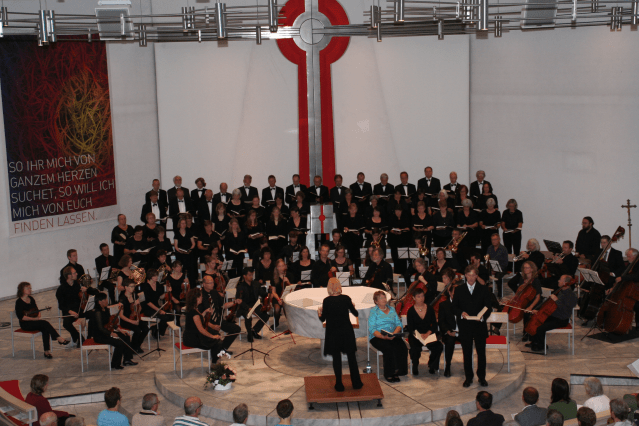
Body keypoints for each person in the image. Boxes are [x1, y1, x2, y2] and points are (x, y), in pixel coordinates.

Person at [318, 278, 363, 391]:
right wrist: (352, 306)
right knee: (352, 358)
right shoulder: (346, 298)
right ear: (339, 286)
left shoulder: (326, 301)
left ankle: (339, 384)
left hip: (333, 333)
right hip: (346, 331)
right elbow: (355, 313)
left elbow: (323, 319)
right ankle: (356, 383)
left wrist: (319, 313)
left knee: (336, 358)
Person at [452, 265, 492, 388]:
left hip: (479, 325)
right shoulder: (459, 289)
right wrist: (461, 313)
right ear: (465, 275)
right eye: (468, 275)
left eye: (473, 275)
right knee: (467, 353)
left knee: (481, 353)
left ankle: (482, 377)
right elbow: (454, 307)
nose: (471, 277)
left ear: (476, 276)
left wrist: (482, 316)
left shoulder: (483, 289)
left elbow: (488, 307)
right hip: (465, 325)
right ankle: (468, 377)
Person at [16, 282, 71, 358]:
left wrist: (38, 315)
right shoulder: (19, 302)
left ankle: (46, 351)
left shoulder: (31, 299)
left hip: (34, 321)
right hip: (26, 324)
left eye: (30, 288)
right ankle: (59, 338)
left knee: (45, 328)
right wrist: (33, 319)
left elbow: (37, 310)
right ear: (22, 290)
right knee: (44, 323)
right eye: (27, 288)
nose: (30, 289)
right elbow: (21, 317)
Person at [527, 275, 577, 352]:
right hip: (554, 315)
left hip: (561, 319)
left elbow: (565, 309)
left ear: (565, 283)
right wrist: (539, 311)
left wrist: (556, 300)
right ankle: (535, 342)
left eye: (560, 280)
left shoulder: (572, 295)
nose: (558, 281)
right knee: (536, 320)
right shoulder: (561, 291)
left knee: (541, 328)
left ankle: (541, 346)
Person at [89, 293, 137, 370]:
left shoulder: (106, 309)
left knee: (126, 336)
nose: (107, 300)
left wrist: (121, 331)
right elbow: (100, 328)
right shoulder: (97, 312)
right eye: (105, 299)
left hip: (107, 332)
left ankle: (127, 360)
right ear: (99, 302)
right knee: (119, 343)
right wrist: (111, 333)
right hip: (100, 336)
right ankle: (115, 364)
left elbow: (111, 323)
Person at [368, 290, 408, 382]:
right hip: (378, 337)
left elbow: (399, 324)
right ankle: (389, 374)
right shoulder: (374, 311)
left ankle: (399, 371)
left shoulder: (392, 309)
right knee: (388, 348)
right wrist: (383, 337)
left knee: (402, 346)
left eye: (384, 297)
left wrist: (394, 333)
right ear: (376, 301)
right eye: (381, 298)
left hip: (392, 334)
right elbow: (372, 329)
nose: (384, 299)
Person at [198, 274, 241, 353]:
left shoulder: (214, 292)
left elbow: (223, 306)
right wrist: (212, 326)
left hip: (217, 320)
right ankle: (216, 350)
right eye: (210, 283)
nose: (213, 284)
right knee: (216, 335)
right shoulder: (199, 295)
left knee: (236, 329)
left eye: (213, 282)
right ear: (204, 284)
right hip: (207, 323)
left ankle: (223, 348)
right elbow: (200, 317)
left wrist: (234, 302)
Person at [56, 266, 97, 347]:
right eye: (74, 273)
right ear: (69, 276)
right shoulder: (61, 289)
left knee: (94, 314)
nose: (77, 274)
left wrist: (86, 290)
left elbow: (93, 292)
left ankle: (89, 337)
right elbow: (61, 306)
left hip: (80, 309)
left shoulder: (77, 284)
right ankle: (79, 338)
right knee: (66, 323)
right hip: (69, 312)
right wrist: (70, 312)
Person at [406, 288, 443, 375]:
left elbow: (434, 324)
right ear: (414, 298)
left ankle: (432, 365)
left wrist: (427, 333)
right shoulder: (410, 311)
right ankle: (415, 365)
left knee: (438, 346)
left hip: (428, 334)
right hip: (416, 335)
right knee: (415, 348)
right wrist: (419, 335)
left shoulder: (430, 308)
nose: (421, 298)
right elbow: (410, 328)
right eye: (418, 296)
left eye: (422, 296)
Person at [183, 288, 224, 365]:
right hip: (192, 339)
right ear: (197, 298)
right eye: (201, 296)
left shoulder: (194, 309)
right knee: (217, 341)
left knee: (217, 335)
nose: (202, 297)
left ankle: (215, 360)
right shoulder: (194, 312)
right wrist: (212, 336)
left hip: (193, 335)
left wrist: (204, 312)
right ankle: (214, 364)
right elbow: (201, 329)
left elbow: (199, 319)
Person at [235, 267, 269, 341]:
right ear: (244, 276)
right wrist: (248, 308)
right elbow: (239, 300)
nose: (251, 277)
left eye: (252, 275)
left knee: (265, 316)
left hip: (255, 305)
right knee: (248, 316)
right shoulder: (240, 287)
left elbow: (262, 293)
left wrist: (268, 294)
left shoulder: (256, 284)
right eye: (249, 275)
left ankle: (254, 331)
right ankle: (249, 334)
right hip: (244, 307)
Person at [118, 279, 148, 353]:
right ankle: (133, 348)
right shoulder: (122, 299)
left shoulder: (135, 295)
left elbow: (139, 310)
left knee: (146, 329)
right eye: (131, 286)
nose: (133, 288)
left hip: (135, 318)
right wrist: (132, 321)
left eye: (134, 286)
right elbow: (121, 315)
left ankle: (136, 346)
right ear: (126, 287)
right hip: (126, 320)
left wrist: (138, 305)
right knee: (137, 330)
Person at [438, 280, 459, 377]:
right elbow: (441, 321)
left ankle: (468, 367)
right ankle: (448, 366)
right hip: (449, 332)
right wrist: (448, 331)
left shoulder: (464, 304)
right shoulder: (443, 305)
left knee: (468, 341)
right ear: (450, 293)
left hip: (461, 331)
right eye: (454, 294)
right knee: (449, 342)